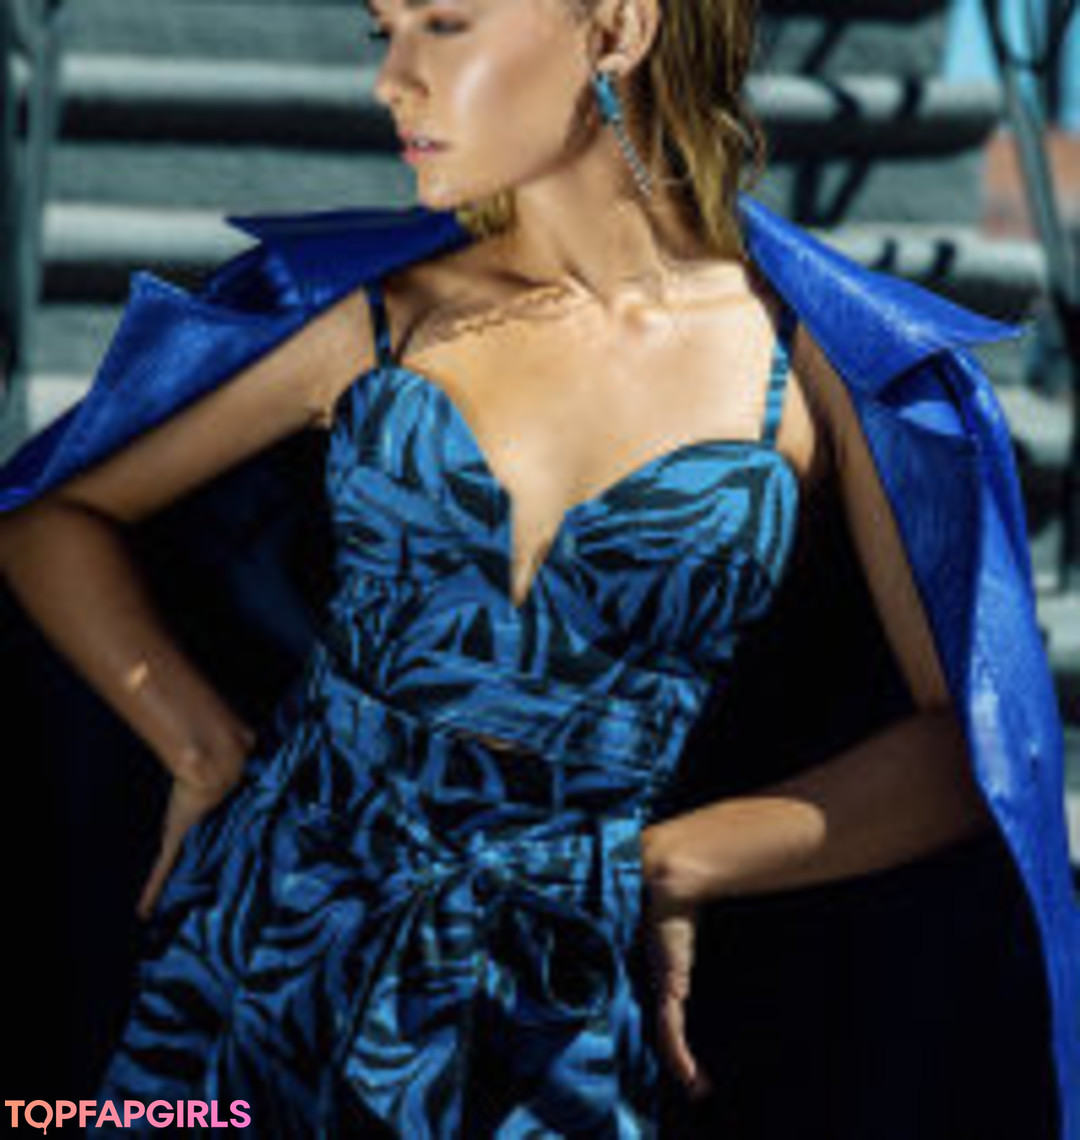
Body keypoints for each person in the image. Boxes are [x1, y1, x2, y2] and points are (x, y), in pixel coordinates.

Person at [0, 0, 1076, 1136]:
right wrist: (199, 746)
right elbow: (50, 514)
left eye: (444, 24)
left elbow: (977, 746)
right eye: (383, 32)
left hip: (555, 998)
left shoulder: (829, 368)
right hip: (270, 934)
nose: (392, 80)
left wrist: (677, 862)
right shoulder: (372, 315)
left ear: (617, 30)